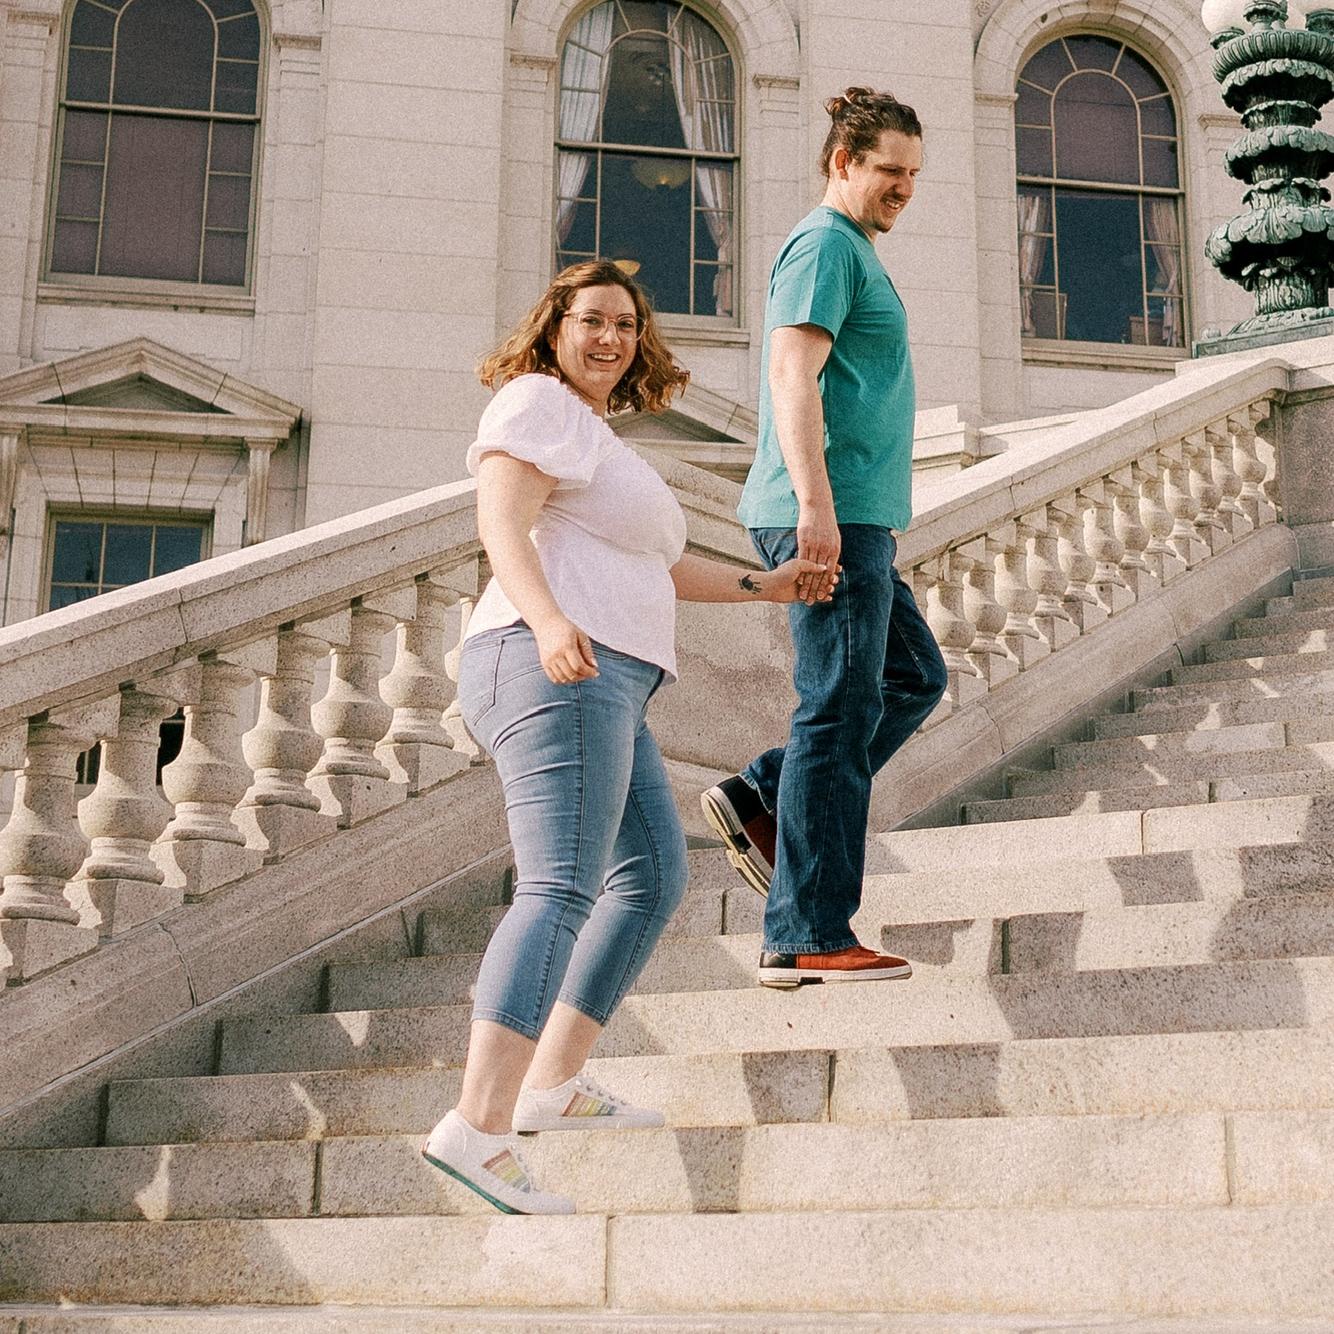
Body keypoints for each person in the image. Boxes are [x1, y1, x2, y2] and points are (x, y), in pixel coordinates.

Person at [421, 259, 834, 1215]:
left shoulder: (596, 437)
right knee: (560, 884)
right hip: (548, 663)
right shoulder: (534, 402)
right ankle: (478, 1130)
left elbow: (662, 562)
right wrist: (551, 620)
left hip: (608, 680)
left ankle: (552, 1086)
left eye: (626, 325)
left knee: (651, 875)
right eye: (592, 319)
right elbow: (501, 522)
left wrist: (763, 587)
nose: (610, 338)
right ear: (552, 326)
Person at [700, 88, 948, 990]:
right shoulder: (823, 245)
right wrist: (815, 508)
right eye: (889, 171)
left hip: (859, 516)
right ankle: (806, 929)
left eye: (914, 175)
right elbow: (789, 374)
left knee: (912, 678)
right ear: (843, 162)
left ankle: (762, 794)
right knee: (837, 707)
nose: (904, 189)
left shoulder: (857, 251)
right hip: (826, 512)